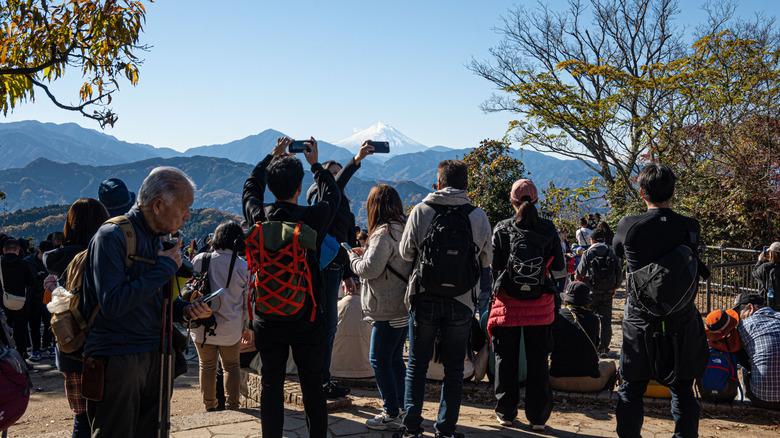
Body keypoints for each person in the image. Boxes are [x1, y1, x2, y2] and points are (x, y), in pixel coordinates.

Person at [81, 167, 210, 437]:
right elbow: (112, 303)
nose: (188, 215)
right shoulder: (111, 236)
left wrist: (185, 310)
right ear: (158, 205)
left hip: (156, 354)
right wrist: (164, 269)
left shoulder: (159, 240)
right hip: (119, 358)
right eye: (184, 207)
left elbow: (152, 300)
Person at [243, 136, 339, 438]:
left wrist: (271, 157)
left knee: (271, 383)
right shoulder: (311, 219)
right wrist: (316, 165)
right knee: (312, 385)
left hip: (266, 316)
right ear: (300, 188)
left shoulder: (258, 218)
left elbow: (250, 188)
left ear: (271, 189)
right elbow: (332, 195)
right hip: (306, 316)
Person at [398, 160, 492, 438]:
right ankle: (446, 430)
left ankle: (411, 428)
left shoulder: (421, 211)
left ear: (438, 183)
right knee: (454, 369)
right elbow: (487, 260)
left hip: (423, 297)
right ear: (466, 185)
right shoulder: (478, 216)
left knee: (417, 365)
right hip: (461, 301)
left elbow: (405, 253)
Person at [613, 163, 708, 438]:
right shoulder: (690, 226)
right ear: (673, 191)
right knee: (683, 389)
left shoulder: (629, 225)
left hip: (640, 320)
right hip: (682, 318)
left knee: (631, 389)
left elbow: (617, 251)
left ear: (642, 193)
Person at [486, 178, 564, 431]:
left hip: (507, 305)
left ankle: (505, 412)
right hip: (540, 305)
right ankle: (538, 418)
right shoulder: (548, 229)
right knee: (538, 360)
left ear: (512, 201)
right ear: (537, 201)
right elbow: (559, 267)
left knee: (505, 358)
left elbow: (494, 266)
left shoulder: (502, 227)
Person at [306, 141, 373, 398]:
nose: (337, 177)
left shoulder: (342, 208)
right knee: (326, 326)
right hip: (324, 268)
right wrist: (356, 160)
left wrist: (348, 274)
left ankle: (321, 378)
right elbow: (333, 185)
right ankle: (320, 381)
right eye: (332, 174)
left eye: (338, 173)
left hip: (335, 268)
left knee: (328, 327)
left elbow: (346, 241)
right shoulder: (322, 199)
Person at [42, 198, 111, 438]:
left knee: (82, 418)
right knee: (111, 416)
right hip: (106, 346)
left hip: (70, 345)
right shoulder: (107, 254)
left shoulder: (56, 260)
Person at [348, 184, 413, 431]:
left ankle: (391, 412)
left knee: (378, 359)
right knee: (395, 359)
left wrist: (353, 259)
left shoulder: (383, 233)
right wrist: (366, 252)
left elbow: (370, 269)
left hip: (386, 306)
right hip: (403, 304)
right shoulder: (403, 228)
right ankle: (403, 407)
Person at [190, 221, 251, 412]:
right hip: (231, 326)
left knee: (206, 366)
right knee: (231, 366)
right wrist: (247, 326)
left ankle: (210, 407)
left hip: (202, 322)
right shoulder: (243, 266)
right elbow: (247, 302)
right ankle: (233, 406)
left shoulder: (200, 259)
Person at [550, 281, 618, 392]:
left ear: (566, 300)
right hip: (589, 383)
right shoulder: (593, 319)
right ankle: (601, 393)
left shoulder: (557, 316)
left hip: (556, 380)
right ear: (586, 301)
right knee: (610, 364)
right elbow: (595, 345)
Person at [575, 228, 623, 357]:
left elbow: (579, 273)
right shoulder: (611, 253)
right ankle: (604, 348)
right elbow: (619, 273)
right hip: (607, 292)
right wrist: (615, 287)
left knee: (588, 319)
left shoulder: (588, 253)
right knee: (606, 321)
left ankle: (591, 345)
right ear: (604, 239)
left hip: (591, 292)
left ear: (591, 240)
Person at [733, 293, 780, 410]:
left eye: (739, 314)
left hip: (763, 398)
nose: (739, 319)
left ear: (750, 307)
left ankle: (744, 400)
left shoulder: (745, 325)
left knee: (745, 367)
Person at [0, 238, 34, 359]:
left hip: (2, 301)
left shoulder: (0, 263)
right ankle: (22, 356)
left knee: (4, 331)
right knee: (21, 330)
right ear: (18, 250)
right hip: (20, 301)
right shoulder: (24, 263)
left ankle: (6, 358)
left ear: (4, 250)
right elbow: (30, 281)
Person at [24, 239, 55, 361]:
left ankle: (47, 346)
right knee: (34, 326)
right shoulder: (28, 262)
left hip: (49, 299)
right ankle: (36, 349)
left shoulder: (53, 261)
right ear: (40, 251)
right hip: (33, 299)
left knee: (49, 324)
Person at [752, 241, 779, 306]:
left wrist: (760, 261)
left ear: (771, 254)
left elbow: (755, 273)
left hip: (768, 303)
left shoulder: (765, 267)